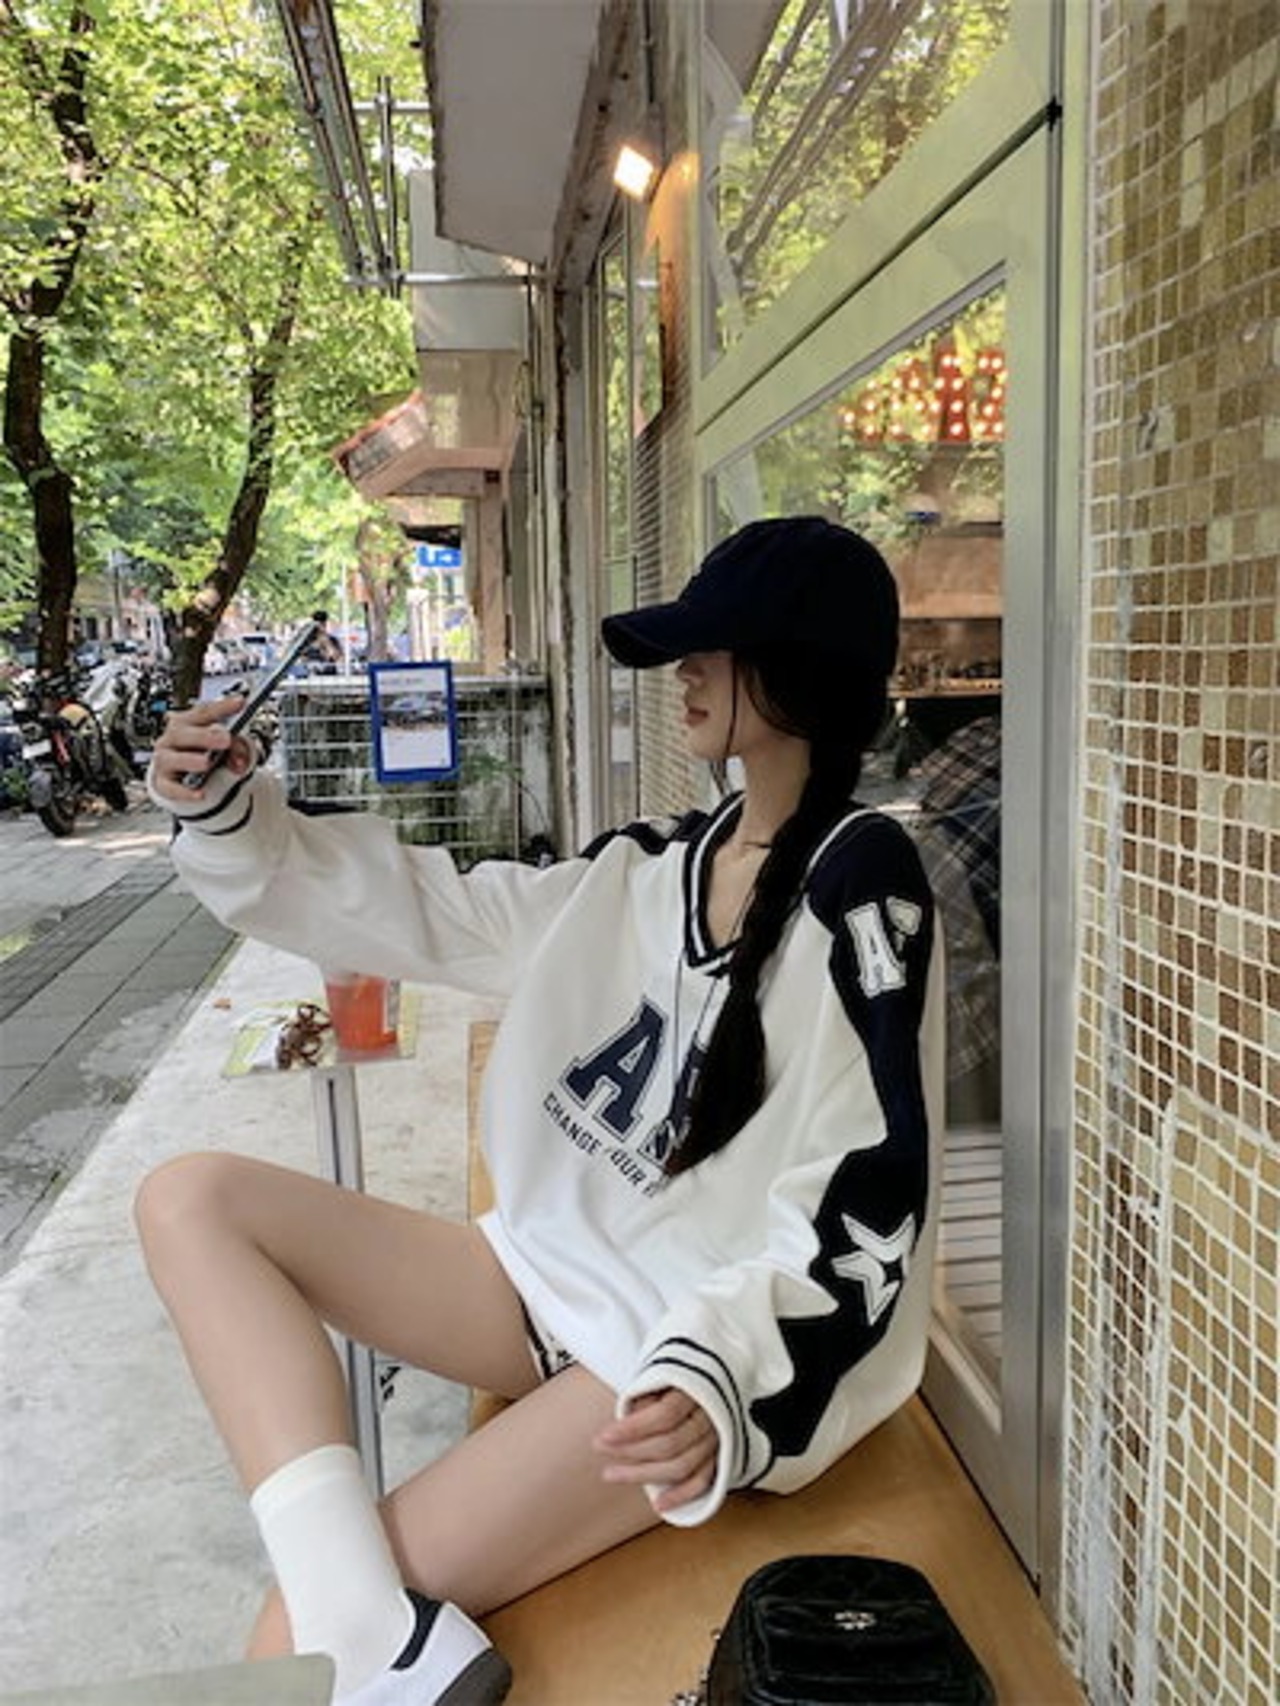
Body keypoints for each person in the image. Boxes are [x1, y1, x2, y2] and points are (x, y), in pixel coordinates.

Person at [140, 516, 945, 1706]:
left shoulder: (862, 885)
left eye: (713, 646)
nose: (684, 670)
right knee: (191, 1197)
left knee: (287, 1646)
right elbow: (435, 909)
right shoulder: (655, 864)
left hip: (659, 1358)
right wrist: (230, 817)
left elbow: (866, 1190)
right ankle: (371, 1627)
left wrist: (723, 1373)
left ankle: (353, 1628)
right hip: (538, 1280)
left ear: (795, 666)